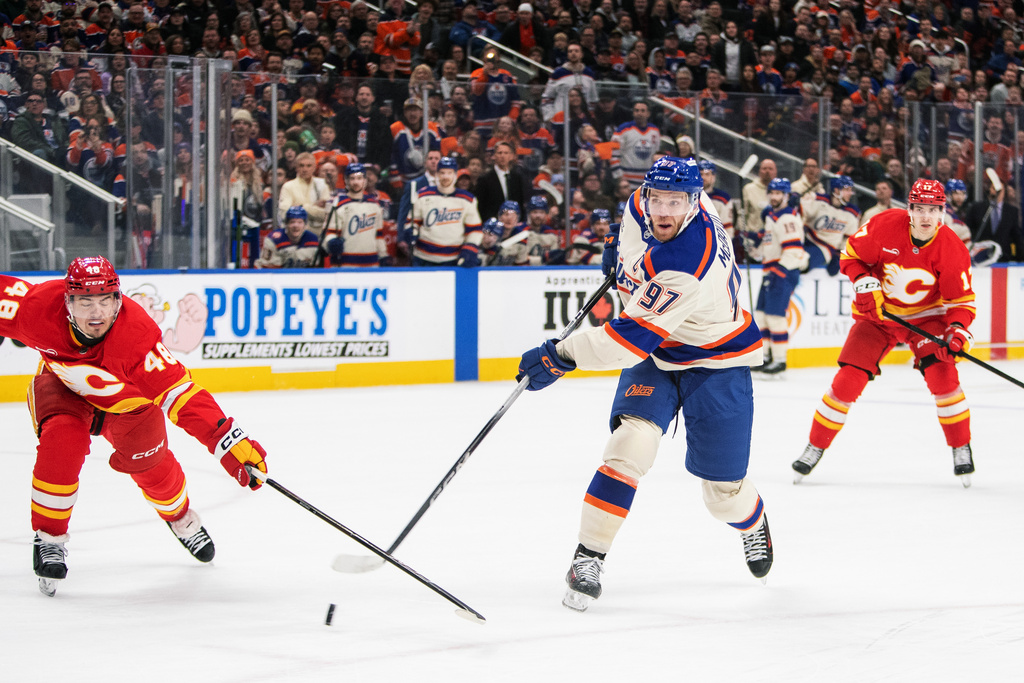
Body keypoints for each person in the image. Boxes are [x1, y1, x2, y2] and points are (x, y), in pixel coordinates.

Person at [514, 157, 771, 613]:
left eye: (676, 202)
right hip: (659, 355)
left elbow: (625, 341)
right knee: (629, 445)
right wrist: (620, 249)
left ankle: (752, 523)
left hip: (718, 360)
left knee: (723, 495)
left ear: (695, 203)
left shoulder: (688, 263)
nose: (664, 211)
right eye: (658, 199)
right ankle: (588, 557)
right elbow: (635, 228)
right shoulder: (645, 203)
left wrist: (561, 355)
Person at [0, 257, 268, 597]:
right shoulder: (36, 308)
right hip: (65, 392)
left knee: (152, 467)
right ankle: (50, 538)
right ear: (67, 303)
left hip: (131, 408)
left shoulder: (137, 340)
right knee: (61, 446)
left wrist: (230, 445)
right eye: (85, 302)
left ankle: (180, 517)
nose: (96, 313)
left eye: (104, 301)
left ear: (118, 300)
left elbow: (184, 397)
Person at [792, 180, 978, 487]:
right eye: (920, 209)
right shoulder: (883, 225)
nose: (926, 217)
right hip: (879, 315)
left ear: (943, 212)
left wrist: (957, 331)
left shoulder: (952, 249)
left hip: (927, 318)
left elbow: (960, 303)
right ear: (909, 209)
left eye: (933, 210)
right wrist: (862, 281)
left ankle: (961, 446)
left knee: (943, 377)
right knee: (847, 380)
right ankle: (815, 446)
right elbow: (850, 257)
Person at [752, 178, 807, 376]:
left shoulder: (787, 218)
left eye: (778, 193)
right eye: (772, 193)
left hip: (783, 271)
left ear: (786, 196)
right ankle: (765, 356)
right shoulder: (772, 216)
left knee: (775, 316)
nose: (774, 197)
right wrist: (753, 244)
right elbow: (765, 248)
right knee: (761, 316)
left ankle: (780, 360)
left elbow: (793, 250)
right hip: (771, 271)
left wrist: (779, 271)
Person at [411, 156, 483, 266]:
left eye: (449, 173)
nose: (445, 176)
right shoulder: (422, 195)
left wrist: (470, 248)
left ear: (455, 175)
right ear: (436, 175)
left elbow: (475, 229)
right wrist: (411, 232)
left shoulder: (467, 199)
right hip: (423, 257)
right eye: (442, 173)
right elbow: (413, 222)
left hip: (453, 258)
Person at [323, 163, 388, 267]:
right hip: (345, 264)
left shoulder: (374, 205)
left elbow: (378, 235)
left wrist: (383, 254)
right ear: (346, 180)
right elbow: (329, 233)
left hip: (371, 263)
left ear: (365, 180)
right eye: (352, 178)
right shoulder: (337, 204)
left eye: (359, 178)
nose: (355, 182)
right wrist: (331, 243)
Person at [800, 175, 861, 276]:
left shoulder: (852, 213)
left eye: (850, 190)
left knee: (801, 263)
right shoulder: (819, 200)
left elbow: (848, 239)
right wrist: (795, 201)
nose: (850, 193)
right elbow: (800, 210)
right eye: (846, 190)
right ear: (836, 190)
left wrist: (839, 255)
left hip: (824, 248)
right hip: (806, 240)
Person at [278, 152, 333, 234]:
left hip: (318, 235)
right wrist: (312, 207)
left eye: (309, 166)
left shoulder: (322, 185)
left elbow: (326, 215)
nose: (305, 169)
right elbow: (284, 214)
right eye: (301, 165)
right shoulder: (288, 186)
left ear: (314, 167)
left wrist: (300, 206)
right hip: (295, 235)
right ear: (296, 167)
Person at [610, 102, 661, 189]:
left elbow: (656, 155)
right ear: (633, 113)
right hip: (627, 181)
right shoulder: (622, 129)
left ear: (648, 114)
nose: (639, 113)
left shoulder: (655, 131)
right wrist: (619, 177)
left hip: (647, 182)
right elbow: (613, 154)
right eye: (636, 110)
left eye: (642, 111)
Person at [255, 205, 321, 268]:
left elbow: (316, 270)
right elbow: (270, 270)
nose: (296, 225)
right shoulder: (274, 240)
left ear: (305, 225)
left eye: (300, 222)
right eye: (292, 222)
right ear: (286, 224)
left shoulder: (313, 240)